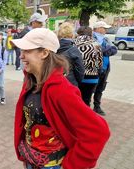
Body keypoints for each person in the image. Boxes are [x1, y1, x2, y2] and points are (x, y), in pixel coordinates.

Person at [12, 28, 110, 169]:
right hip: (32, 160)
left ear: (44, 53)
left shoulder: (60, 89)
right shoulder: (31, 81)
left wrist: (72, 165)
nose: (21, 56)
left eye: (27, 50)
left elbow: (98, 131)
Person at [92, 21, 118, 116]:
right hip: (94, 68)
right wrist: (106, 49)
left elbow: (114, 50)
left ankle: (97, 106)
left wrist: (103, 50)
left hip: (105, 67)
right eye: (104, 28)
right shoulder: (91, 37)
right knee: (91, 88)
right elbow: (93, 51)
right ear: (98, 28)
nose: (106, 30)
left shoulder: (106, 39)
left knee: (101, 87)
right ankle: (86, 107)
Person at [74, 26, 103, 107]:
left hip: (76, 77)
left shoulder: (73, 43)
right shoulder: (96, 44)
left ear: (78, 33)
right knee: (86, 101)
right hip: (92, 78)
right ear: (91, 33)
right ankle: (85, 118)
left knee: (76, 101)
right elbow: (100, 63)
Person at [57, 22, 84, 86]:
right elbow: (80, 70)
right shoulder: (74, 49)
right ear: (72, 34)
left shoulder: (53, 47)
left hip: (54, 83)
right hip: (70, 83)